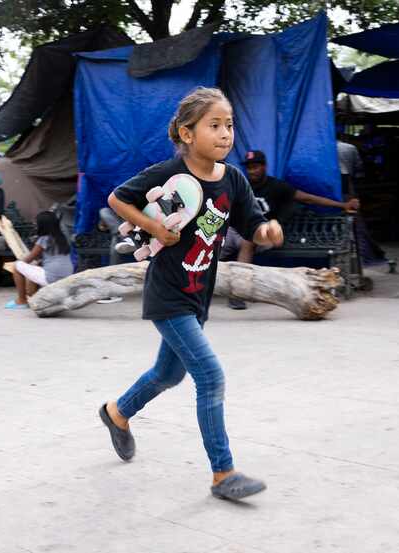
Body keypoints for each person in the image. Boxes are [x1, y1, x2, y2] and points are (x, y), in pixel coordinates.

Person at [100, 87, 283, 501]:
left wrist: (266, 231)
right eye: (214, 125)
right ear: (186, 133)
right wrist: (154, 228)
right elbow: (117, 199)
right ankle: (223, 474)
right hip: (168, 293)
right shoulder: (170, 173)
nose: (225, 134)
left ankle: (117, 413)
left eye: (229, 125)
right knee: (210, 376)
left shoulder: (233, 178)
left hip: (199, 292)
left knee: (169, 374)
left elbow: (252, 222)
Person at [221, 149, 360, 309]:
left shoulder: (276, 186)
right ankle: (194, 287)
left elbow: (308, 198)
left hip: (265, 234)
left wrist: (342, 205)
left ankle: (238, 292)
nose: (252, 170)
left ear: (264, 167)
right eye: (250, 167)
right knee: (212, 244)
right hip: (237, 231)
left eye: (256, 166)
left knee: (248, 240)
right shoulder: (241, 185)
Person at [5, 211, 74, 309]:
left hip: (51, 278)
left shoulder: (44, 239)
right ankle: (34, 297)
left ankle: (21, 300)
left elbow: (28, 259)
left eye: (36, 223)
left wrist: (17, 262)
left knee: (17, 266)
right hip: (67, 276)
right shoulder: (62, 238)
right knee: (35, 267)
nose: (35, 224)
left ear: (43, 225)